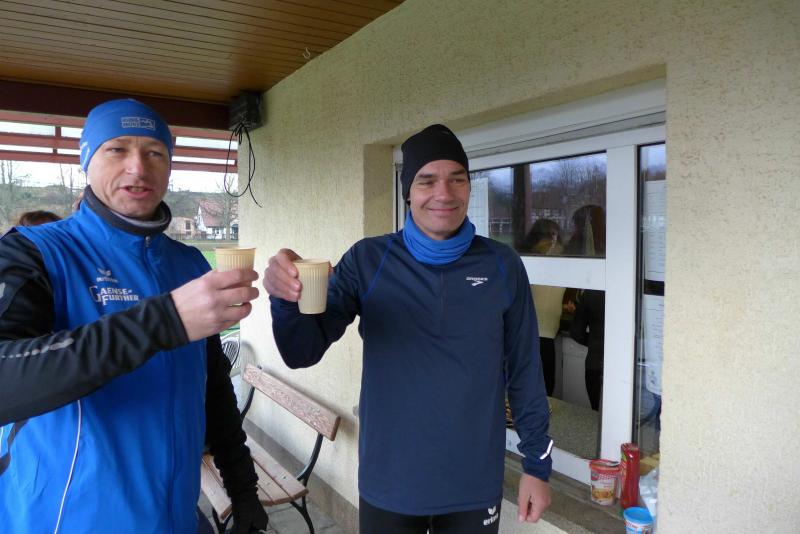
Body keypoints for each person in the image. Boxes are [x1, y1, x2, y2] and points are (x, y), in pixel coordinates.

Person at [263, 124, 553, 533]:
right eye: (427, 180)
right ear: (408, 192)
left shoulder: (502, 265)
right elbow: (301, 351)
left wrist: (537, 465)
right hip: (390, 481)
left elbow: (525, 369)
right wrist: (285, 297)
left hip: (473, 482)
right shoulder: (368, 260)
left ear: (469, 187)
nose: (444, 193)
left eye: (457, 179)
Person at [0, 99, 267, 533]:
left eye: (155, 152)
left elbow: (213, 385)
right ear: (86, 160)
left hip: (175, 517)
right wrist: (164, 321)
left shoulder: (189, 265)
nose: (138, 168)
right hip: (68, 521)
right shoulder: (33, 252)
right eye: (117, 149)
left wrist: (243, 488)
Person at [569, 289, 605, 411]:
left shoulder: (590, 294)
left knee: (596, 412)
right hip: (620, 366)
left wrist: (595, 342)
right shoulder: (625, 290)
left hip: (594, 363)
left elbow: (576, 333)